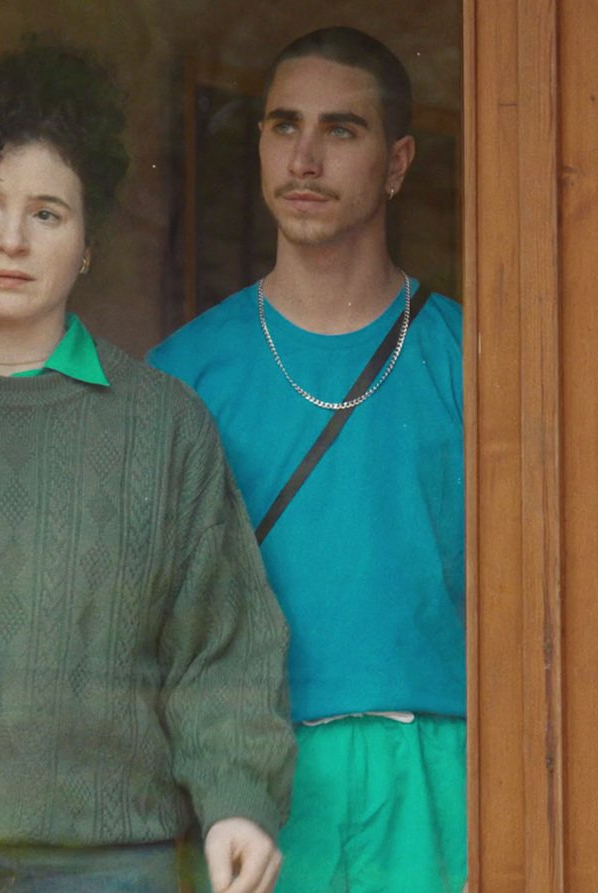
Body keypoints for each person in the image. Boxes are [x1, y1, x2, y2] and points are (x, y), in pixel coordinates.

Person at [0, 39, 293, 893]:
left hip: (105, 858)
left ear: (90, 243)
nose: (12, 238)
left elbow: (221, 648)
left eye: (48, 213)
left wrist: (238, 801)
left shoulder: (163, 426)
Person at [149, 26, 465, 893]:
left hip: (439, 764)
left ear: (397, 163)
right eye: (284, 126)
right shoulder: (183, 375)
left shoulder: (475, 360)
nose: (306, 157)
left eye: (342, 130)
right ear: (258, 146)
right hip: (253, 780)